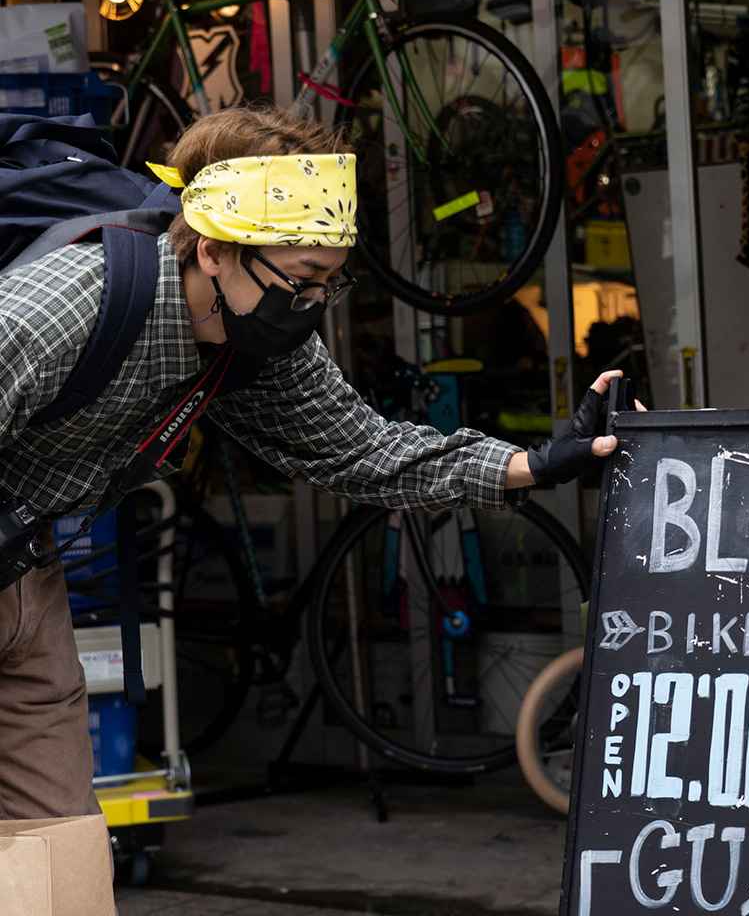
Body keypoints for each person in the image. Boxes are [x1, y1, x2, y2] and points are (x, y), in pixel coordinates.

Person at [0, 105, 629, 820]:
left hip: (28, 582)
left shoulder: (258, 338)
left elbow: (362, 450)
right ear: (213, 249)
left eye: (328, 284)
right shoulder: (67, 307)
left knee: (60, 848)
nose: (312, 306)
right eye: (300, 279)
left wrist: (537, 462)